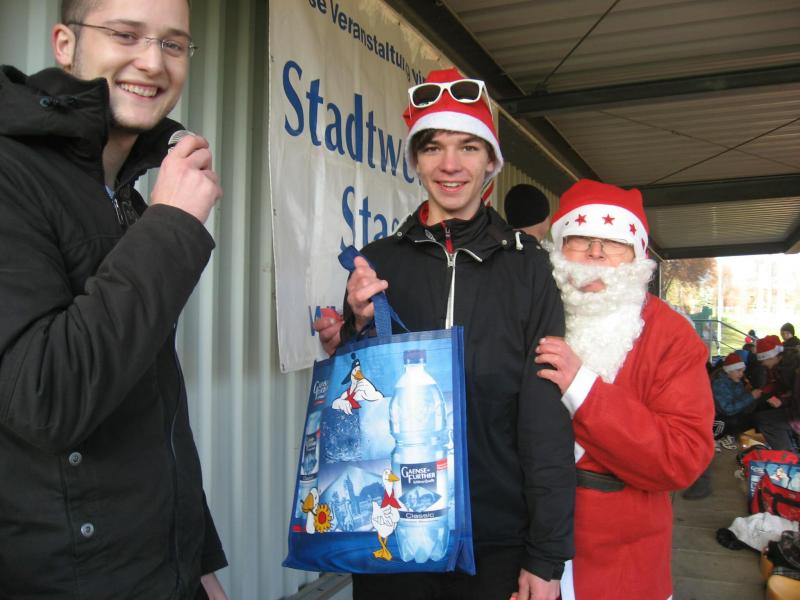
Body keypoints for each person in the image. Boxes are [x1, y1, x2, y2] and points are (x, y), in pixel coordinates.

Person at [316, 67, 573, 600]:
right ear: (415, 160)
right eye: (433, 148)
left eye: (468, 148)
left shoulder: (529, 269)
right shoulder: (378, 262)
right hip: (392, 534)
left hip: (496, 538)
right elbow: (358, 411)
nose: (450, 165)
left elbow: (544, 417)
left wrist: (546, 556)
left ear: (491, 163)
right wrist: (355, 331)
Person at [0, 1, 228, 598]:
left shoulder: (124, 193)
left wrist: (198, 563)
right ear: (65, 44)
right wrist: (172, 225)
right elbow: (45, 396)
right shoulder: (9, 172)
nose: (152, 62)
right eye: (126, 35)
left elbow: (153, 398)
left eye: (173, 44)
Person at [533, 179, 715, 600]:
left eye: (614, 242)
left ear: (637, 255)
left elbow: (683, 457)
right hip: (524, 551)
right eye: (581, 239)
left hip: (623, 565)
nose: (596, 253)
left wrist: (584, 389)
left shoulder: (671, 335)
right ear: (558, 248)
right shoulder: (530, 315)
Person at [710, 352, 795, 451]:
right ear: (728, 371)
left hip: (733, 415)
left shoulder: (734, 380)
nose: (741, 374)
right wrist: (751, 396)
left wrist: (758, 397)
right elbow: (727, 409)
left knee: (761, 413)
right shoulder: (719, 384)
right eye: (738, 371)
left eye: (742, 371)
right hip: (720, 419)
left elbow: (741, 401)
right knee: (749, 419)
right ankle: (724, 436)